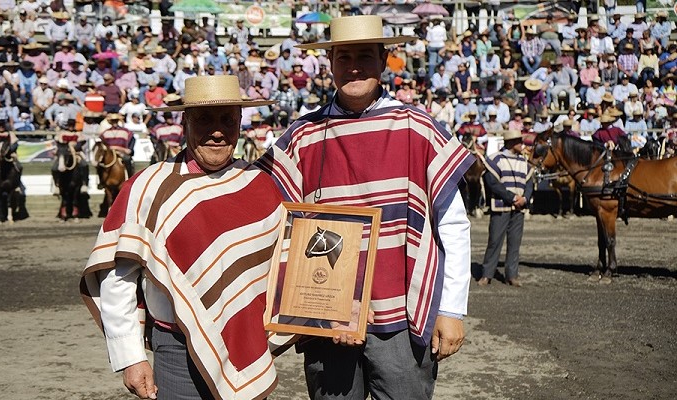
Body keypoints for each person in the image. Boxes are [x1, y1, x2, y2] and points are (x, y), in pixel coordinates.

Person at [261, 15, 473, 399]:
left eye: (365, 56)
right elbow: (265, 218)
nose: (354, 66)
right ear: (329, 64)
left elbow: (453, 223)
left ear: (383, 60)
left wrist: (452, 310)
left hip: (400, 318)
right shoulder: (302, 135)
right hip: (325, 318)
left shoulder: (417, 126)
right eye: (344, 57)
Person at [81, 75, 284, 400]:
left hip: (249, 348)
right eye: (204, 119)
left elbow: (285, 266)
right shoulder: (149, 188)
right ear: (185, 122)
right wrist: (131, 357)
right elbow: (117, 281)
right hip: (176, 354)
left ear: (240, 122)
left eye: (226, 119)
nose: (217, 131)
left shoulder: (260, 186)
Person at [477, 129, 533, 287]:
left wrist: (525, 198)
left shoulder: (524, 162)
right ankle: (487, 274)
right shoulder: (495, 159)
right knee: (495, 241)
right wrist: (513, 197)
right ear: (510, 143)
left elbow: (529, 183)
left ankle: (512, 275)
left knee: (515, 243)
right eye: (519, 141)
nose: (522, 144)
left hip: (519, 209)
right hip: (501, 208)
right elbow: (493, 184)